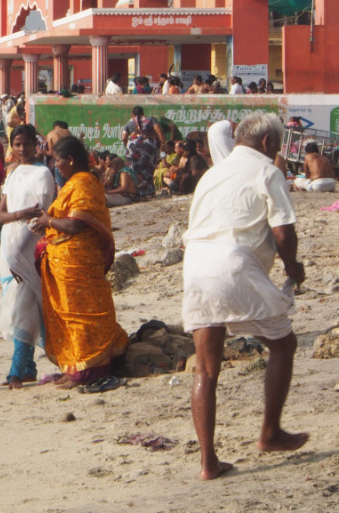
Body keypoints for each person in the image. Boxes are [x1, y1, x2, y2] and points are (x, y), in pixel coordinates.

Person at [182, 113, 308, 480]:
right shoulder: (268, 172)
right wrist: (292, 268)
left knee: (205, 369)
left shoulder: (212, 173)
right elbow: (284, 232)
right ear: (269, 142)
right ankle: (270, 432)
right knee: (283, 345)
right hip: (234, 264)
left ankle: (208, 463)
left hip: (196, 265)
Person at [29, 136, 129, 389]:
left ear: (71, 160)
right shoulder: (73, 183)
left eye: (57, 160)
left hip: (79, 263)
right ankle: (74, 367)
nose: (55, 166)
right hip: (64, 262)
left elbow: (75, 224)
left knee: (82, 315)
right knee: (67, 315)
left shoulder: (84, 184)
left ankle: (89, 369)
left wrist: (47, 222)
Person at [0, 124, 56, 388]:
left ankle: (16, 371)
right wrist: (20, 215)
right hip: (10, 246)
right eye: (16, 145)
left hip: (31, 247)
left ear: (35, 144)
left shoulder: (43, 175)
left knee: (24, 307)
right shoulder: (13, 174)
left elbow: (43, 216)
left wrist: (22, 249)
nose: (21, 149)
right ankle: (28, 366)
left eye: (26, 144)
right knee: (22, 307)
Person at [121, 106, 162, 199]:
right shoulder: (150, 119)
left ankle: (137, 192)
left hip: (133, 148)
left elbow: (124, 137)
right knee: (149, 169)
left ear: (133, 114)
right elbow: (158, 129)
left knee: (135, 170)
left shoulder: (130, 122)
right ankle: (149, 192)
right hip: (149, 148)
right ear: (143, 112)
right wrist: (162, 142)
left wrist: (127, 145)